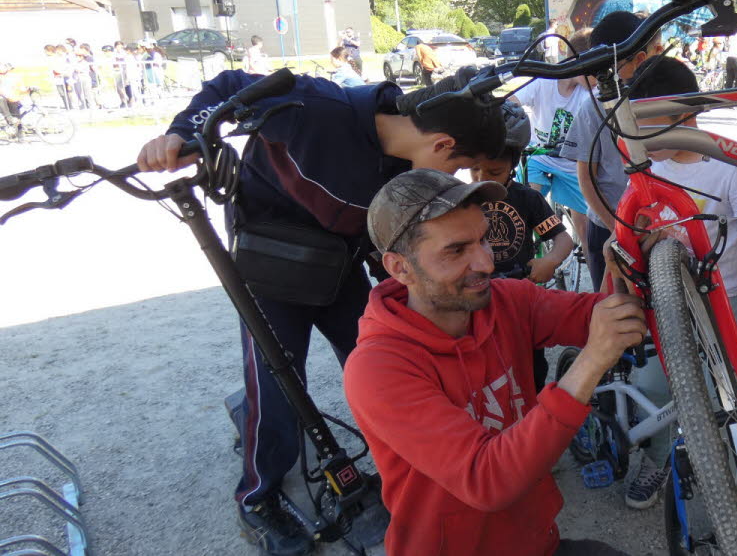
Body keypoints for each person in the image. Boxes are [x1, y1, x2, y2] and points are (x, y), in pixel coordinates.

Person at [135, 67, 507, 556]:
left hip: (338, 264)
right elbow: (228, 85)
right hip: (272, 262)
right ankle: (257, 496)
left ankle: (410, 471)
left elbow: (384, 237)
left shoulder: (404, 166)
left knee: (386, 368)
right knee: (278, 383)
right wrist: (182, 132)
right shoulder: (315, 108)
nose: (453, 180)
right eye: (460, 168)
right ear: (442, 145)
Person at [343, 168, 645, 556]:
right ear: (400, 267)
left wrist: (627, 269)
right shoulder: (377, 370)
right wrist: (590, 362)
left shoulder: (505, 300)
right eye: (456, 251)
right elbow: (486, 480)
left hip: (537, 541)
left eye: (483, 239)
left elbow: (600, 316)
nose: (486, 263)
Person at [619, 55, 737, 509]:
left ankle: (727, 470)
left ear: (686, 116)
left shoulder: (729, 165)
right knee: (654, 387)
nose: (640, 139)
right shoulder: (646, 165)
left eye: (650, 126)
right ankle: (656, 460)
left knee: (721, 393)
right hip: (663, 299)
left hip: (723, 299)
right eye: (635, 126)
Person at [469, 102, 574, 391]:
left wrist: (549, 261)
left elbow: (563, 238)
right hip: (477, 297)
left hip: (520, 297)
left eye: (494, 171)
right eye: (474, 169)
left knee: (530, 364)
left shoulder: (527, 199)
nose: (481, 178)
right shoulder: (462, 201)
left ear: (512, 167)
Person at [559, 11, 656, 291]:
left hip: (658, 228)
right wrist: (617, 228)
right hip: (607, 224)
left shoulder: (660, 99)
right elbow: (586, 177)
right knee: (613, 304)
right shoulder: (593, 107)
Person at [512, 27, 598, 260]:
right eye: (595, 70)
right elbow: (512, 101)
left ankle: (593, 266)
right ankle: (527, 257)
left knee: (586, 228)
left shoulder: (591, 92)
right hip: (538, 155)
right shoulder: (544, 82)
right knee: (527, 207)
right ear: (576, 62)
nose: (598, 78)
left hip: (571, 163)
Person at [0, 62, 24, 128]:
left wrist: (29, 88)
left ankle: (18, 132)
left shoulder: (16, 77)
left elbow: (22, 88)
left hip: (13, 100)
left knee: (17, 119)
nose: (10, 72)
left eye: (11, 70)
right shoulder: (1, 77)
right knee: (1, 99)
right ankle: (9, 118)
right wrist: (6, 95)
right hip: (4, 100)